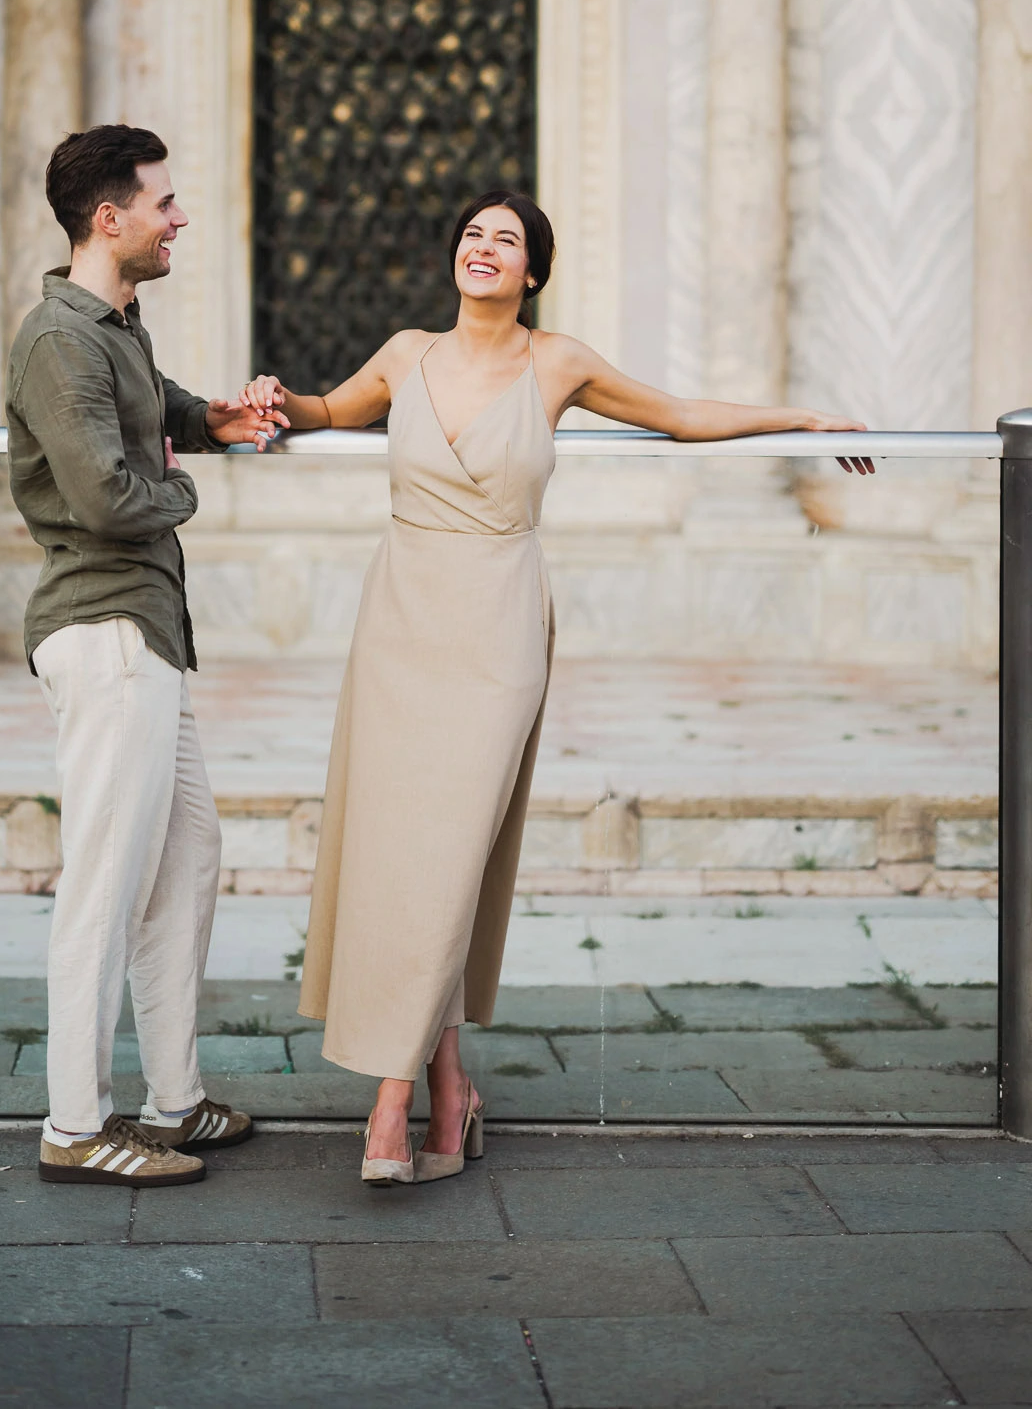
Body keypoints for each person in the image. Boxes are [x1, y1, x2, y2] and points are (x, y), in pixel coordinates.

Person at [239, 189, 870, 1184]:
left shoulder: (556, 361)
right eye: (470, 235)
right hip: (400, 616)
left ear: (531, 270)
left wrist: (799, 417)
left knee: (451, 852)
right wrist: (272, 406)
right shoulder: (407, 352)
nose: (482, 248)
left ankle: (386, 1103)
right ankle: (450, 1092)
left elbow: (679, 415)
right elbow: (325, 412)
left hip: (496, 621)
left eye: (506, 240)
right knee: (406, 852)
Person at [7, 125, 284, 1188]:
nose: (179, 219)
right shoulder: (58, 340)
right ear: (106, 218)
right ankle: (75, 1127)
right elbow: (108, 495)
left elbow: (158, 410)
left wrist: (219, 420)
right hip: (105, 630)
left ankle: (174, 1104)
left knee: (187, 859)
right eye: (163, 204)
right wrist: (189, 486)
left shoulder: (114, 324)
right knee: (105, 884)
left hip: (148, 635)